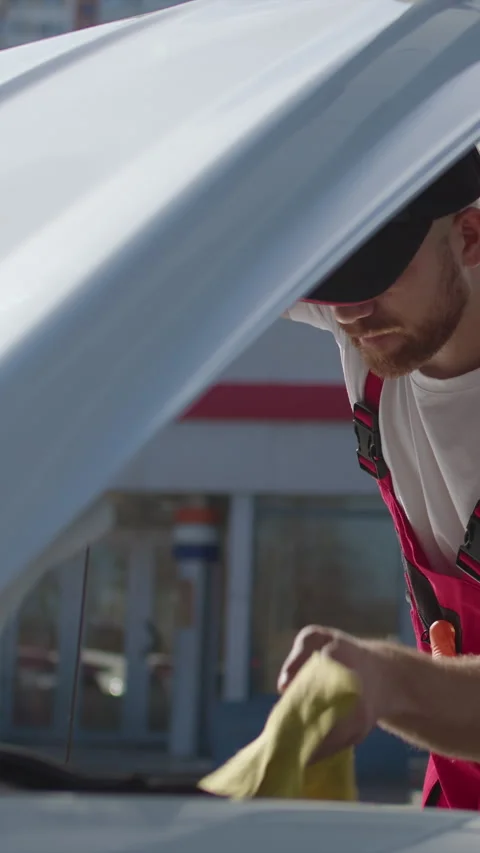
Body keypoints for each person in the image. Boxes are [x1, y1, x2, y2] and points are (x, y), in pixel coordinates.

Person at [280, 146, 480, 811]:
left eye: (377, 275)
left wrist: (383, 681)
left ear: (470, 235)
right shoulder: (374, 322)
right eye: (336, 282)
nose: (350, 314)